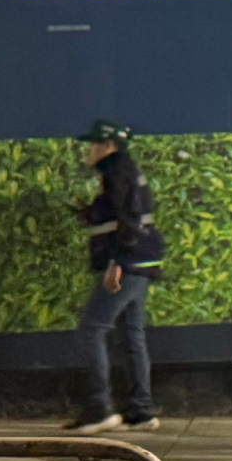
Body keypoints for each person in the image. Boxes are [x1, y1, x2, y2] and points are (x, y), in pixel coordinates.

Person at [67, 120, 164, 434]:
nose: (88, 150)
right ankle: (141, 410)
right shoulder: (124, 170)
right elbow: (121, 213)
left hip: (129, 261)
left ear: (108, 146)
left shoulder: (117, 172)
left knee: (92, 329)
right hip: (143, 260)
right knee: (131, 334)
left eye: (93, 144)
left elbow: (130, 218)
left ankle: (99, 409)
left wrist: (117, 262)